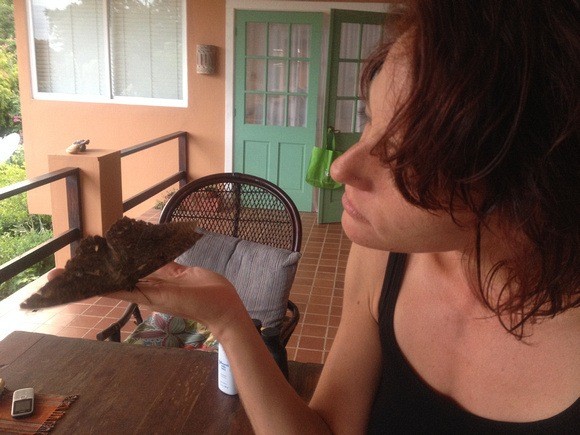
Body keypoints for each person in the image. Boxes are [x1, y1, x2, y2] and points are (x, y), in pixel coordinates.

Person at [106, 1, 578, 433]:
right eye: (371, 118)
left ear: (527, 181)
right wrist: (229, 318)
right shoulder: (385, 261)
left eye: (408, 154)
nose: (341, 167)